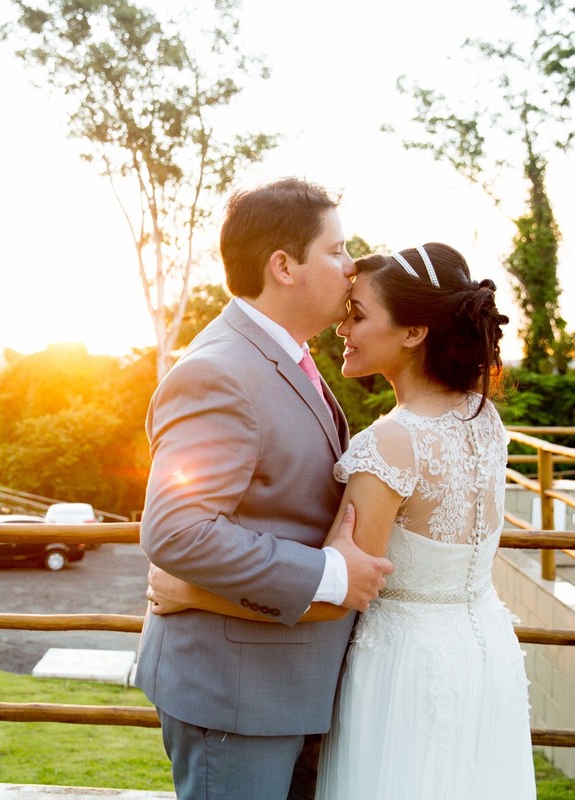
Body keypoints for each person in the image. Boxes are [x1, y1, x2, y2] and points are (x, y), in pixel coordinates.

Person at [150, 242, 536, 799]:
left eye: (358, 315)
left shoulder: (390, 444)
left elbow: (335, 589)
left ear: (413, 333)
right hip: (481, 657)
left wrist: (188, 592)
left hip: (404, 673)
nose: (343, 328)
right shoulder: (484, 421)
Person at [134, 177, 395, 800]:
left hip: (290, 685)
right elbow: (177, 529)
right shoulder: (219, 371)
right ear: (283, 266)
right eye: (336, 250)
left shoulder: (288, 357)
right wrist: (332, 576)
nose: (351, 264)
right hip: (237, 698)